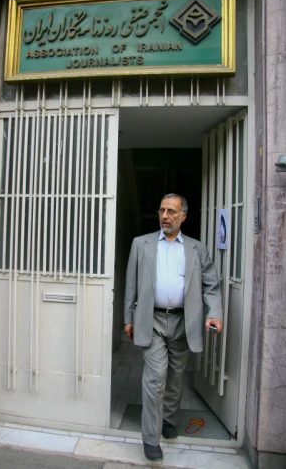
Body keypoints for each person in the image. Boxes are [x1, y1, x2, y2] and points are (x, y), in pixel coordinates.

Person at [124, 193, 223, 462]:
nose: (165, 216)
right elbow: (131, 284)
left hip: (183, 321)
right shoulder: (141, 244)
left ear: (183, 216)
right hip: (152, 319)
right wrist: (128, 317)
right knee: (155, 378)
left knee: (175, 377)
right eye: (162, 210)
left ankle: (168, 419)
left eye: (171, 211)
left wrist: (214, 313)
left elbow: (211, 286)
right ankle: (151, 438)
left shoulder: (196, 249)